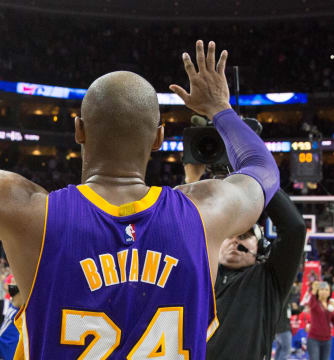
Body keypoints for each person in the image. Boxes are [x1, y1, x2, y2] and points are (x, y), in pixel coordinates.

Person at [0, 40, 279, 358]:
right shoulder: (204, 213)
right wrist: (221, 110)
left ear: (79, 130)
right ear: (159, 138)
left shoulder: (28, 212)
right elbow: (262, 169)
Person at [183, 164, 304, 360]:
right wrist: (191, 182)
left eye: (245, 235)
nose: (235, 240)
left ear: (260, 248)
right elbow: (185, 226)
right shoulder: (199, 273)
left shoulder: (268, 281)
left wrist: (251, 175)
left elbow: (294, 228)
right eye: (229, 235)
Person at [307, 281, 334, 360]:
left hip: (327, 340)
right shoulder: (315, 303)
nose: (324, 291)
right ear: (318, 291)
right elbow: (312, 303)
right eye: (321, 289)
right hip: (314, 339)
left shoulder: (330, 305)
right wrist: (314, 290)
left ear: (329, 292)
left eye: (326, 289)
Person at [0, 276, 21, 360]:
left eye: (13, 282)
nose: (10, 285)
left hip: (10, 349)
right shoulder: (8, 304)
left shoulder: (19, 302)